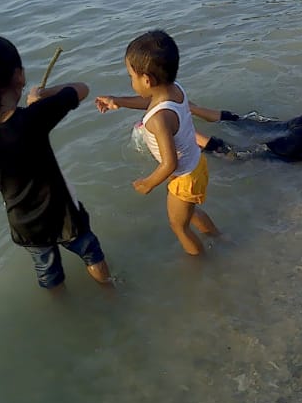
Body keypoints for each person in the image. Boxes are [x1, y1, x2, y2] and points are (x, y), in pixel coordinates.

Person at [0, 35, 112, 291]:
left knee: (47, 272)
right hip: (60, 212)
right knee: (90, 251)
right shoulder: (34, 117)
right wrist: (43, 95)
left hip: (24, 222)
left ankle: (61, 310)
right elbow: (81, 89)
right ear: (19, 76)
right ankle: (111, 295)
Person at [94, 30, 221, 256]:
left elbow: (169, 163)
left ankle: (202, 263)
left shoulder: (158, 119)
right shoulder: (174, 89)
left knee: (179, 226)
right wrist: (118, 101)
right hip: (194, 165)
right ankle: (217, 237)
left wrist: (148, 183)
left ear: (147, 80)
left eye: (130, 77)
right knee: (189, 213)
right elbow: (149, 101)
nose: (130, 81)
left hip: (184, 176)